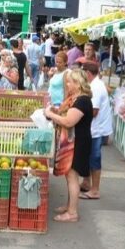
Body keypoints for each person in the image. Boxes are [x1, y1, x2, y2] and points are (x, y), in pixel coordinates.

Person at [44, 69, 93, 222]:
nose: (67, 83)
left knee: (72, 176)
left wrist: (50, 114)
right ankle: (69, 206)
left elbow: (68, 122)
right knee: (69, 176)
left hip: (78, 143)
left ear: (78, 84)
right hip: (75, 141)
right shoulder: (75, 98)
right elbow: (65, 115)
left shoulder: (82, 101)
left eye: (70, 81)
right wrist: (55, 111)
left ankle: (72, 213)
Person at [79, 62, 113, 200]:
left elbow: (94, 111)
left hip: (96, 129)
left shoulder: (96, 87)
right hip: (93, 128)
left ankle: (95, 190)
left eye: (83, 74)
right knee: (89, 156)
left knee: (94, 158)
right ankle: (87, 183)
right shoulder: (94, 85)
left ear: (88, 73)